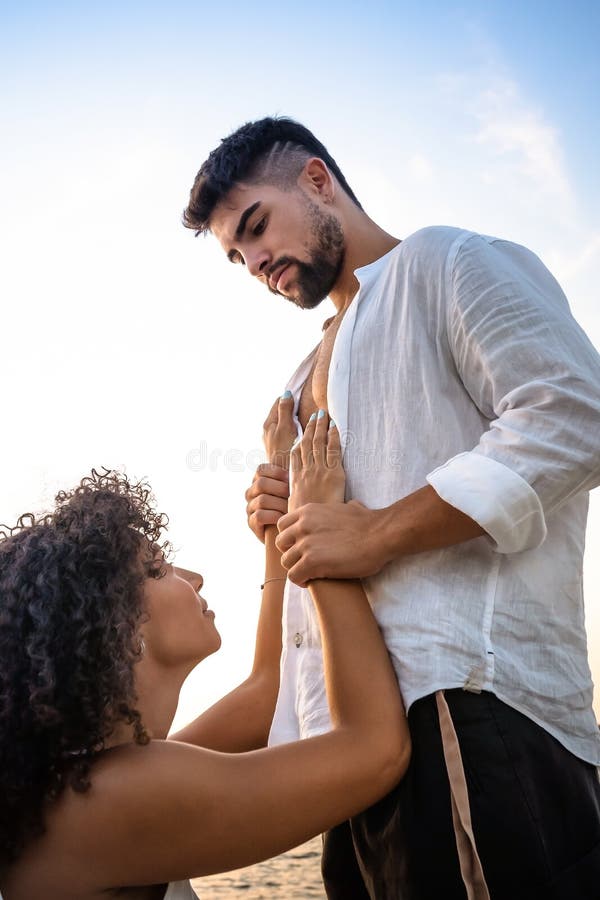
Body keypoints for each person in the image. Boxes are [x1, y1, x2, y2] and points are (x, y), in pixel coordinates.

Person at [183, 116, 600, 899]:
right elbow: (294, 627)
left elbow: (575, 413)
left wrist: (376, 533)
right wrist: (280, 530)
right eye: (238, 258)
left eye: (256, 227)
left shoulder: (446, 262)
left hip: (472, 717)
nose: (256, 263)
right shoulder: (294, 380)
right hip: (341, 761)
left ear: (316, 181)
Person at [0, 406, 409, 900]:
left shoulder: (97, 781)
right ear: (115, 625)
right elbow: (375, 751)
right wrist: (318, 534)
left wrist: (283, 534)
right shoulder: (112, 799)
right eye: (159, 569)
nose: (193, 577)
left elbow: (269, 691)